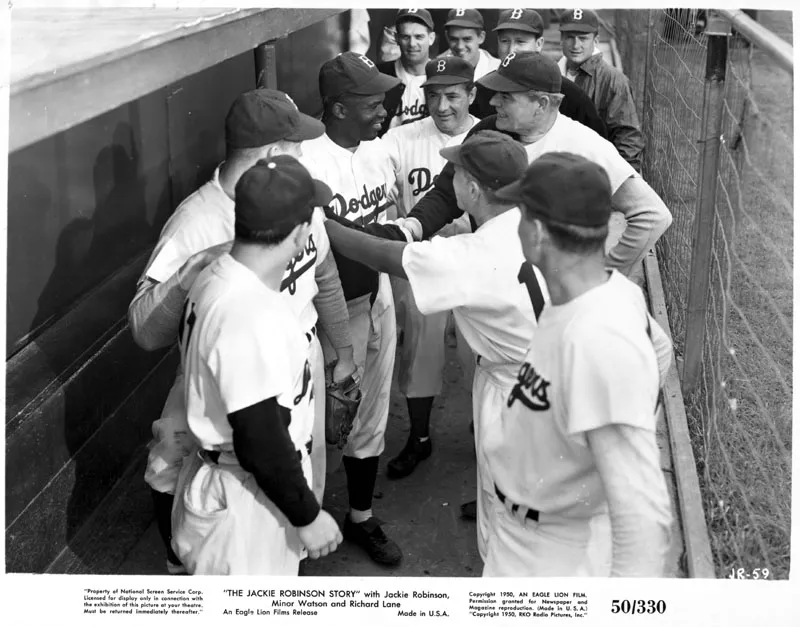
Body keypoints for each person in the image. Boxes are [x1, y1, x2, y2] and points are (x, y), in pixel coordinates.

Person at [127, 88, 356, 574]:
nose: (304, 152)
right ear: (272, 155)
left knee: (294, 488)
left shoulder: (295, 198)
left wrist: (344, 353)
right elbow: (145, 332)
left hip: (296, 365)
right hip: (225, 388)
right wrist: (189, 269)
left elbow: (325, 276)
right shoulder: (195, 223)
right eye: (296, 145)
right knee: (189, 479)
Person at [324, 130, 546, 562]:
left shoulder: (472, 254)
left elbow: (385, 255)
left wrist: (324, 224)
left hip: (518, 392)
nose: (449, 179)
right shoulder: (545, 222)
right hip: (565, 379)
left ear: (475, 189)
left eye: (456, 172)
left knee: (512, 536)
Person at [483, 152, 673, 577]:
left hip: (559, 555)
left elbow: (643, 518)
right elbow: (661, 351)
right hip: (527, 530)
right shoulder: (606, 290)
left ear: (535, 232)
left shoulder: (598, 340)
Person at [170, 156, 343, 575]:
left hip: (232, 484)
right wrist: (307, 515)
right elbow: (260, 439)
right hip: (243, 503)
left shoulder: (216, 274)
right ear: (302, 233)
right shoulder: (248, 311)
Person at [379, 52, 671, 283]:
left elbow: (652, 215)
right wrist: (412, 226)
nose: (492, 101)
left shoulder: (584, 145)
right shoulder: (489, 130)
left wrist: (606, 275)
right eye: (495, 92)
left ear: (541, 103)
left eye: (506, 96)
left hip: (553, 301)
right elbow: (446, 193)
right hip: (498, 284)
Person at [298, 52, 404, 567]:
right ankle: (303, 525)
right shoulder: (305, 160)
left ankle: (360, 515)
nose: (384, 108)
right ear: (338, 108)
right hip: (334, 310)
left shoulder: (377, 152)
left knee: (372, 409)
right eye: (371, 102)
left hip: (377, 292)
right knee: (322, 420)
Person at [380, 56, 478, 479]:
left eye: (452, 95)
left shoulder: (488, 136)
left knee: (483, 356)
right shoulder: (401, 138)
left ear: (471, 95)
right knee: (421, 352)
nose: (441, 106)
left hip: (479, 264)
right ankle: (418, 438)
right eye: (433, 95)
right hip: (426, 263)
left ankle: (489, 442)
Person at [469, 8, 607, 138]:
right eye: (505, 41)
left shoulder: (568, 94)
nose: (512, 49)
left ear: (539, 44)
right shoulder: (482, 90)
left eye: (520, 42)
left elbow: (598, 143)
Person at [557, 9, 645, 171]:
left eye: (583, 38)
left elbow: (628, 136)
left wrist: (620, 179)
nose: (576, 45)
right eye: (570, 37)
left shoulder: (613, 80)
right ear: (561, 40)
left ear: (596, 40)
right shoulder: (553, 73)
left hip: (595, 170)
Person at [379, 9, 437, 133]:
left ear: (431, 38)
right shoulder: (379, 75)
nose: (412, 44)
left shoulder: (442, 76)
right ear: (396, 38)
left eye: (419, 37)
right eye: (406, 37)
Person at [439, 9, 500, 80]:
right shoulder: (437, 68)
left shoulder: (497, 69)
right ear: (447, 37)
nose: (460, 46)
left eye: (467, 39)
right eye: (454, 39)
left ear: (481, 37)